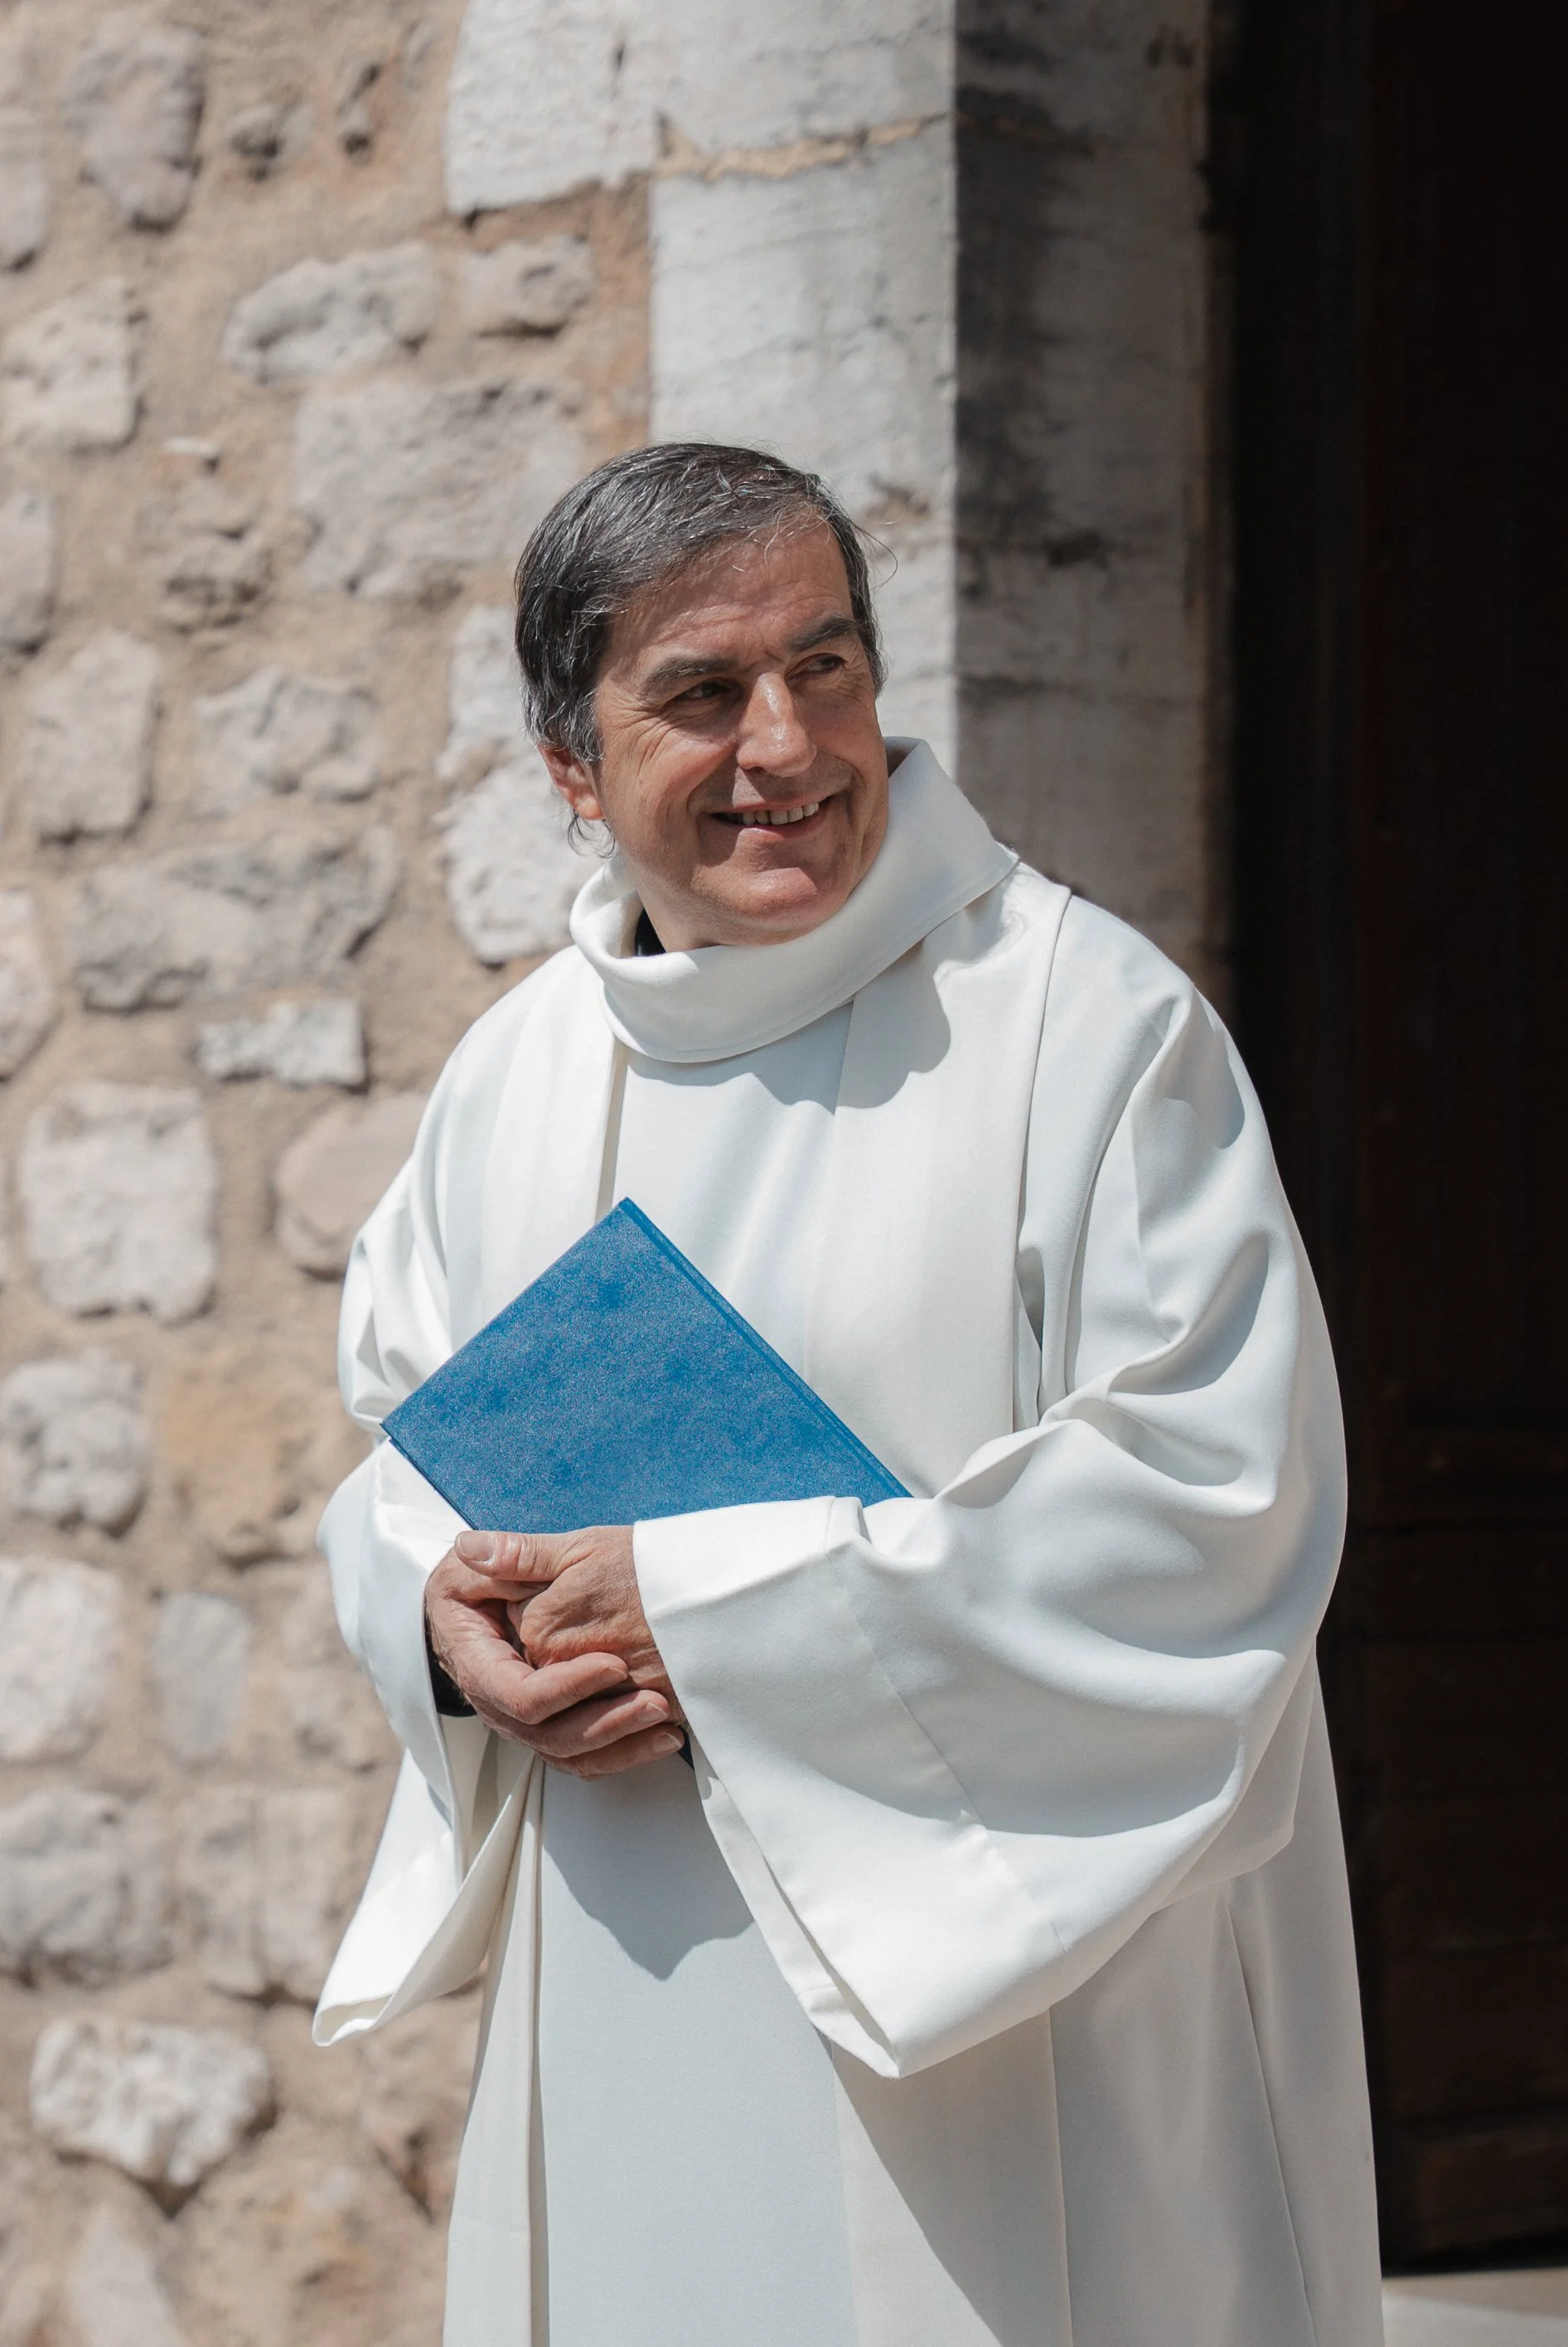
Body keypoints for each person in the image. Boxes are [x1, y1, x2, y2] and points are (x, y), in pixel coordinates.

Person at [313, 443, 1383, 2347]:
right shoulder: (519, 1075)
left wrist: (710, 1613)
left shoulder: (1082, 1024)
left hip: (1010, 2023)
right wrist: (439, 1609)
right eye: (701, 696)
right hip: (626, 1968)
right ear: (571, 768)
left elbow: (1218, 1499)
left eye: (826, 668)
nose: (787, 748)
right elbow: (406, 1433)